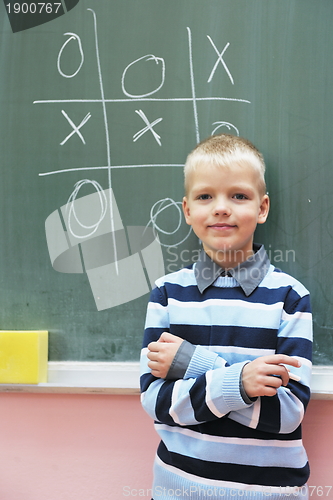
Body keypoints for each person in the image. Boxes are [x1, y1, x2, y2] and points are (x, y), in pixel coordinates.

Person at [140, 134, 312, 499]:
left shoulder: (290, 298)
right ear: (187, 210)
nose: (221, 208)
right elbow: (158, 405)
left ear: (262, 208)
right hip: (178, 490)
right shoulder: (167, 294)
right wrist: (243, 383)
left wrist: (194, 365)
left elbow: (285, 415)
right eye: (205, 196)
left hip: (271, 493)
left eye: (238, 195)